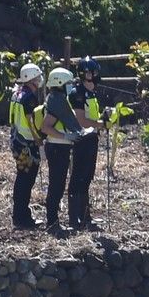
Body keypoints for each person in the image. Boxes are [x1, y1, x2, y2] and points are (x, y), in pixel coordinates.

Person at [40, 67, 95, 232]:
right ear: (60, 83)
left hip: (60, 147)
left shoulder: (57, 98)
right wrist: (66, 137)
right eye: (68, 83)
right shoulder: (56, 101)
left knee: (58, 184)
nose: (71, 86)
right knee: (56, 186)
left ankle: (54, 221)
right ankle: (52, 222)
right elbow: (45, 127)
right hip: (57, 147)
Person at [67, 56, 110, 229]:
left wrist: (104, 117)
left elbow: (91, 117)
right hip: (81, 139)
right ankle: (74, 218)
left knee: (87, 177)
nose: (95, 75)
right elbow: (81, 120)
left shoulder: (91, 93)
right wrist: (100, 124)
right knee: (78, 177)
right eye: (92, 72)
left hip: (92, 138)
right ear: (85, 74)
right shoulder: (77, 93)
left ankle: (85, 216)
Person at [8, 63, 44, 229]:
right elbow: (31, 122)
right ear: (31, 79)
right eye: (37, 77)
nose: (39, 80)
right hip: (26, 144)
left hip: (16, 140)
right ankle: (23, 217)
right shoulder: (29, 97)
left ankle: (19, 214)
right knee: (26, 180)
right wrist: (39, 140)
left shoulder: (16, 93)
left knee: (21, 178)